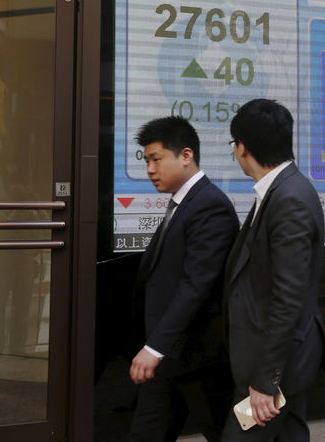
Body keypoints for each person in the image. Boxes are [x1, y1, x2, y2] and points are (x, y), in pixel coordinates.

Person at [222, 99, 325, 442]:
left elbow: (288, 296)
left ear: (242, 148)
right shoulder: (281, 190)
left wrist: (266, 380)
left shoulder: (289, 198)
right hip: (283, 357)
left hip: (279, 362)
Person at [129, 116, 239, 442]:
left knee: (226, 433)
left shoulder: (209, 206)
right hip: (170, 356)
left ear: (186, 156)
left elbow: (197, 284)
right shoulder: (184, 202)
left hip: (195, 356)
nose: (150, 169)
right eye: (147, 160)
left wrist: (155, 346)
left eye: (156, 159)